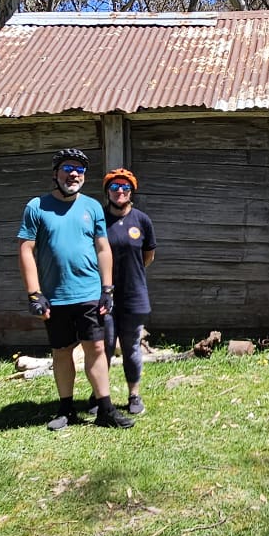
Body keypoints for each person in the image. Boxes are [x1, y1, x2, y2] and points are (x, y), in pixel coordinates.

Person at [17, 148, 134, 429]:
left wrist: (108, 289)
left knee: (95, 347)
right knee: (61, 350)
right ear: (55, 174)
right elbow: (25, 250)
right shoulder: (36, 207)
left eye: (79, 170)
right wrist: (34, 293)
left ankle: (105, 409)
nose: (74, 174)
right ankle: (66, 409)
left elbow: (103, 249)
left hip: (90, 293)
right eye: (68, 168)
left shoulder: (92, 207)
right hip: (55, 296)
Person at [99, 167, 157, 415]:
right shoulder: (99, 219)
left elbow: (148, 256)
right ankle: (100, 396)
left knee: (131, 346)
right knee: (105, 345)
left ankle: (134, 395)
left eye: (124, 187)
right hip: (104, 295)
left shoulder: (142, 220)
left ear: (132, 191)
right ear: (107, 192)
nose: (119, 191)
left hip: (134, 294)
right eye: (114, 187)